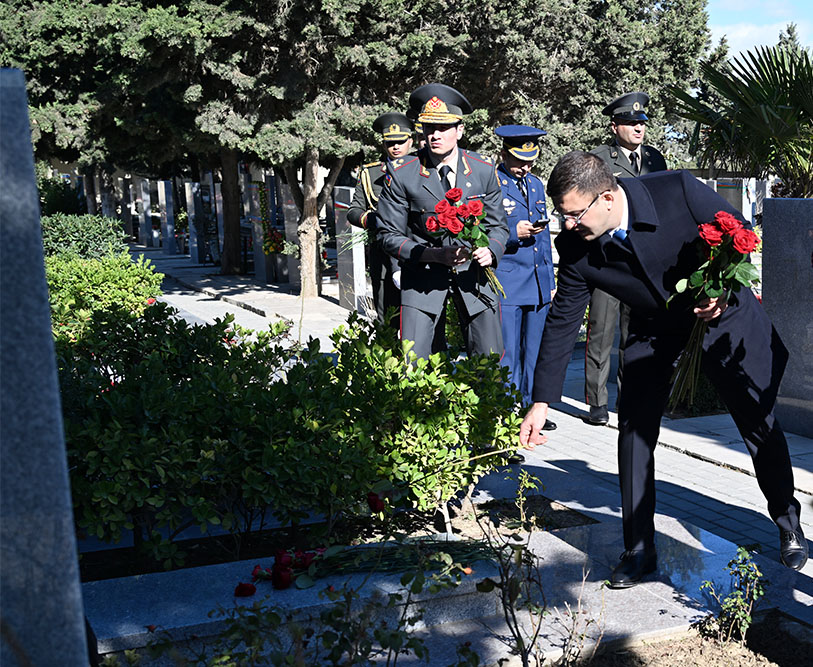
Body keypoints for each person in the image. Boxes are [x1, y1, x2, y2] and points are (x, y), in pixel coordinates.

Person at [520, 151, 807, 587]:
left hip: (720, 318)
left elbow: (739, 232)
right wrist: (541, 401)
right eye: (563, 216)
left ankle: (787, 520)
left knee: (757, 423)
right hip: (654, 332)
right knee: (633, 431)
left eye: (576, 214)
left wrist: (721, 293)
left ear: (609, 197)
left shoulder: (676, 190)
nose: (570, 225)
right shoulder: (576, 247)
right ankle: (638, 549)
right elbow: (563, 320)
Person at [376, 83, 508, 359]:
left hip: (475, 279)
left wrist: (491, 249)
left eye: (443, 128)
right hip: (422, 276)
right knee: (416, 364)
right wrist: (433, 254)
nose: (435, 135)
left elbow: (498, 226)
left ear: (460, 130)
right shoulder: (403, 174)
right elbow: (388, 234)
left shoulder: (483, 170)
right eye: (428, 128)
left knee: (489, 361)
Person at [584, 92, 668, 426]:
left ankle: (627, 397)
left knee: (634, 332)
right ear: (614, 125)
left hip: (642, 257)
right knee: (601, 330)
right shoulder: (600, 160)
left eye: (642, 123)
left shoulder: (654, 158)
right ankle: (596, 402)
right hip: (608, 257)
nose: (638, 128)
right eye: (631, 123)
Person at [493, 125, 556, 432]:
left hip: (537, 281)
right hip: (508, 280)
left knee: (536, 351)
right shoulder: (492, 184)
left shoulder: (535, 184)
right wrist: (511, 234)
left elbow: (543, 239)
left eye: (531, 160)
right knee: (509, 354)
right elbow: (483, 232)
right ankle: (506, 410)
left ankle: (534, 407)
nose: (526, 166)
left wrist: (550, 279)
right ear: (503, 153)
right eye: (519, 159)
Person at [347, 112, 414, 328]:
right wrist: (375, 221)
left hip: (417, 249)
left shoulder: (423, 170)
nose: (395, 147)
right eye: (390, 143)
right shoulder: (371, 172)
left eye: (400, 142)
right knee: (387, 315)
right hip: (384, 252)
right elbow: (354, 210)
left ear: (410, 142)